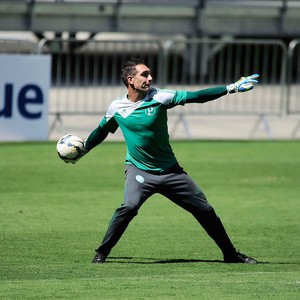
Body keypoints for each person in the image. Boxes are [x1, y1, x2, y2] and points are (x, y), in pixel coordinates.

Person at [76, 57, 259, 264]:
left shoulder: (161, 96)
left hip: (171, 172)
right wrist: (84, 149)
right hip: (139, 171)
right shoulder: (116, 107)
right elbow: (102, 131)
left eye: (150, 74)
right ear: (130, 80)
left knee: (205, 210)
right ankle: (102, 253)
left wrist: (231, 88)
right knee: (128, 207)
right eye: (144, 74)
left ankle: (230, 254)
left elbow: (197, 97)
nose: (150, 78)